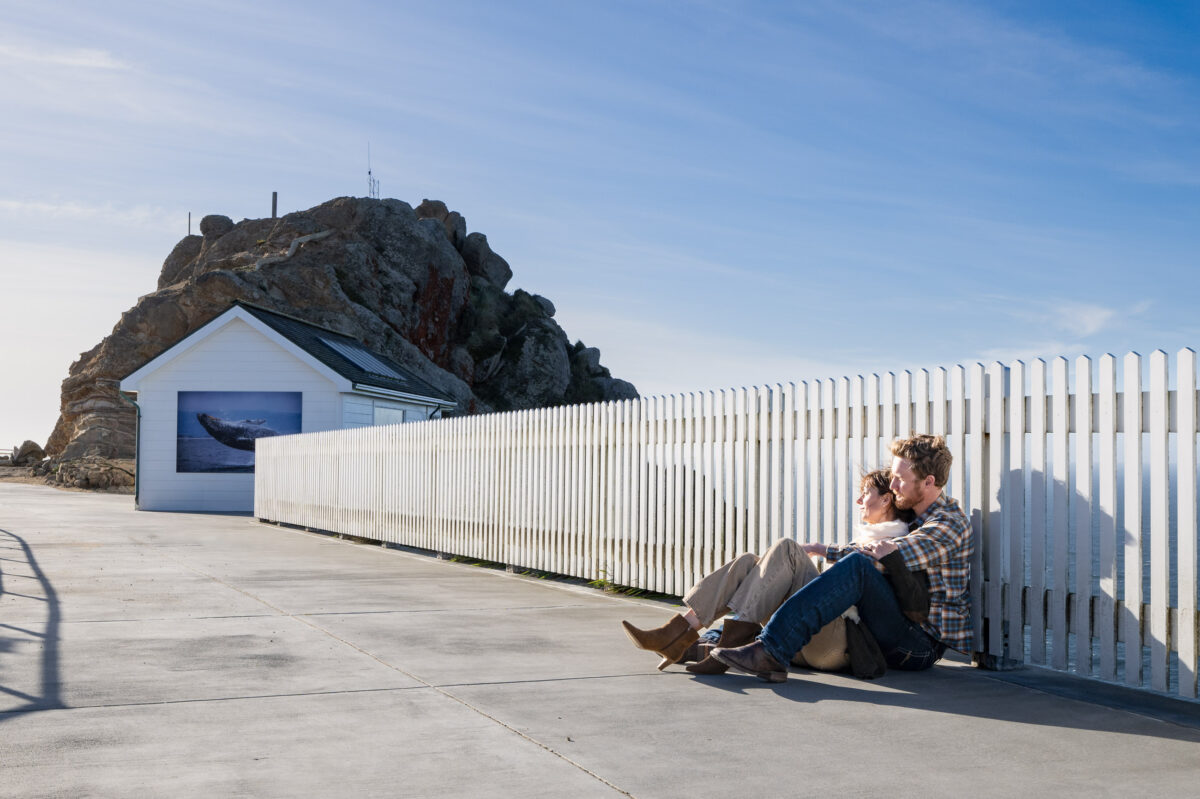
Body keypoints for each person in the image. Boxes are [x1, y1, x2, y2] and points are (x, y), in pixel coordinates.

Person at [712, 433, 973, 682]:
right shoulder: (914, 515)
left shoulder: (947, 525)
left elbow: (881, 557)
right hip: (895, 622)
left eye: (900, 480)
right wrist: (819, 549)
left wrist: (826, 550)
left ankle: (770, 650)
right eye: (892, 478)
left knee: (859, 567)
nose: (893, 487)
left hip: (919, 644)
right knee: (783, 559)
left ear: (928, 482)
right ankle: (714, 639)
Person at [621, 468, 912, 674]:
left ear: (886, 500)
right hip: (807, 642)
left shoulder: (896, 542)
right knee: (750, 562)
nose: (860, 501)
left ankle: (729, 642)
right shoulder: (865, 540)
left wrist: (821, 550)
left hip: (837, 646)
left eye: (866, 494)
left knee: (787, 548)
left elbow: (866, 582)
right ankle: (677, 633)